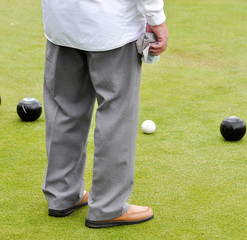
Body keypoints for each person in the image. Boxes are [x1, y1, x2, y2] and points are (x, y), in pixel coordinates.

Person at [41, 0, 168, 228]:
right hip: (111, 24)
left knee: (64, 108)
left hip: (60, 19)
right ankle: (108, 207)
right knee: (117, 114)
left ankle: (62, 194)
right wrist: (155, 17)